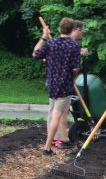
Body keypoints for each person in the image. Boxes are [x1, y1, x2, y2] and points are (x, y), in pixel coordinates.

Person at [33, 18, 84, 154]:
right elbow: (75, 68)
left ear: (60, 28)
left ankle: (60, 140)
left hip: (52, 84)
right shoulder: (74, 46)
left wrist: (44, 36)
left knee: (55, 113)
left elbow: (35, 53)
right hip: (65, 86)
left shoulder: (51, 43)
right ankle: (48, 147)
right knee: (56, 116)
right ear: (72, 29)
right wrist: (72, 78)